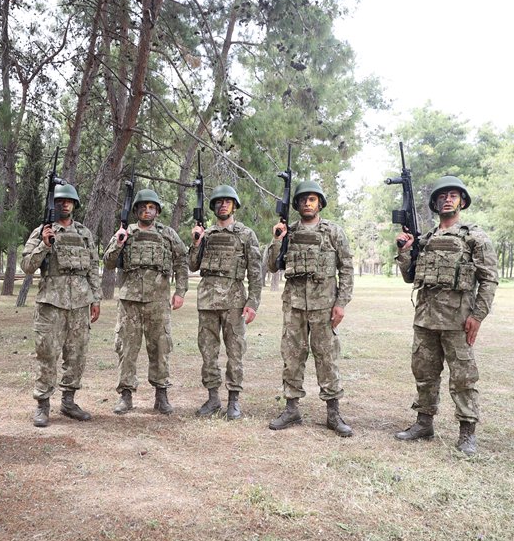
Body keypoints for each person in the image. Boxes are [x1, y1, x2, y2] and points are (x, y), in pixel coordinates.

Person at [394, 176, 498, 455]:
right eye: (442, 196)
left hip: (457, 319)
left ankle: (467, 432)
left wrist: (477, 315)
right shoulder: (425, 239)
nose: (447, 199)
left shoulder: (474, 237)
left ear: (462, 201)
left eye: (453, 195)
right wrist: (404, 252)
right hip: (425, 318)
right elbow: (410, 277)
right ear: (435, 203)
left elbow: (488, 280)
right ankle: (424, 423)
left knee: (463, 377)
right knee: (424, 373)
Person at [266, 180, 355, 437]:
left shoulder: (333, 232)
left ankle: (333, 413)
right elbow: (273, 266)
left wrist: (341, 303)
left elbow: (346, 268)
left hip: (324, 306)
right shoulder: (287, 232)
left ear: (320, 203)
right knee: (292, 356)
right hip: (294, 305)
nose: (307, 202)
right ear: (296, 204)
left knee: (327, 357)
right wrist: (276, 240)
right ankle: (292, 408)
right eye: (303, 199)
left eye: (312, 199)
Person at [19, 183, 101, 427]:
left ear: (74, 204)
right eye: (60, 201)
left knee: (76, 355)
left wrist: (95, 298)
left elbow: (93, 268)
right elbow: (27, 266)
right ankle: (43, 405)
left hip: (79, 305)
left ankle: (68, 401)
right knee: (47, 355)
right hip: (51, 304)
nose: (64, 204)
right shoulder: (41, 231)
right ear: (53, 204)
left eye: (69, 201)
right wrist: (45, 245)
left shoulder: (84, 234)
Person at [102, 189, 188, 415]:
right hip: (130, 302)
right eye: (142, 207)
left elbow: (182, 261)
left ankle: (161, 395)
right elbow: (108, 263)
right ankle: (126, 395)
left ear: (157, 211)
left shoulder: (168, 234)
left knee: (160, 348)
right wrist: (118, 244)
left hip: (158, 301)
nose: (147, 210)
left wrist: (180, 291)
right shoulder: (125, 233)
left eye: (151, 207)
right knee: (127, 348)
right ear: (136, 210)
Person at [188, 184, 262, 419]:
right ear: (213, 207)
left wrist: (253, 302)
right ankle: (212, 399)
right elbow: (192, 265)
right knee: (208, 352)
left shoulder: (246, 234)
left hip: (234, 301)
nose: (223, 205)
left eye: (227, 201)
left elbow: (256, 271)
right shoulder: (206, 235)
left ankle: (234, 400)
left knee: (235, 351)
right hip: (208, 300)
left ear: (234, 206)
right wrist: (196, 242)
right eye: (219, 202)